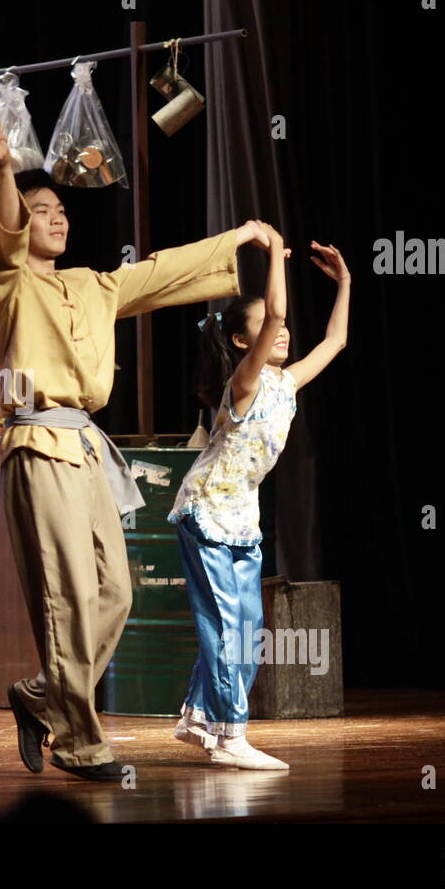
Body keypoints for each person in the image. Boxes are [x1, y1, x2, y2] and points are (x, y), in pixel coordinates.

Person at [0, 123, 267, 780]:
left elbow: (159, 273)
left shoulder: (94, 285)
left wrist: (236, 240)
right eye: (40, 211)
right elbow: (0, 238)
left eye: (62, 210)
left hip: (85, 447)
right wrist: (0, 175)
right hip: (39, 441)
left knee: (116, 594)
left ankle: (43, 695)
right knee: (67, 595)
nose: (56, 218)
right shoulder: (3, 283)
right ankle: (78, 739)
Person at [169, 233, 351, 769]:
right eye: (269, 328)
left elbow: (335, 342)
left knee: (248, 625)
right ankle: (229, 737)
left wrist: (345, 283)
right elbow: (275, 310)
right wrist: (274, 256)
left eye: (285, 329)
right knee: (232, 626)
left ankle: (199, 716)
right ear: (243, 341)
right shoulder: (244, 383)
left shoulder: (284, 384)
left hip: (241, 517)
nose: (284, 331)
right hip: (206, 512)